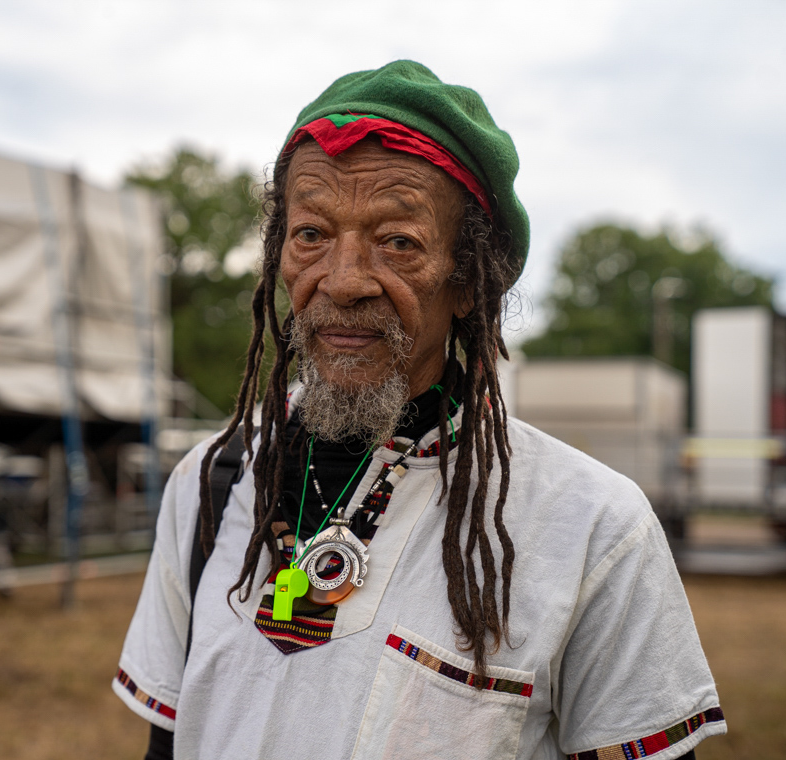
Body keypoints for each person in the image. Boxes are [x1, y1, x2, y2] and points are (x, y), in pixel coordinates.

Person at [114, 61, 725, 760]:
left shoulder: (591, 528)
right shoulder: (213, 482)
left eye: (397, 242)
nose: (342, 282)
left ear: (469, 280)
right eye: (311, 234)